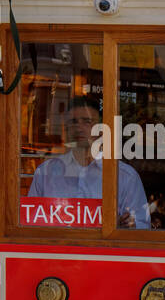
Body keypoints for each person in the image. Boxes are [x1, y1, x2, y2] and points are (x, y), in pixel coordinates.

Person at [27, 97, 150, 228]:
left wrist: (127, 226)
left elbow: (142, 227)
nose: (79, 128)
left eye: (87, 122)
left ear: (101, 129)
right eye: (73, 122)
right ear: (66, 128)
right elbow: (29, 221)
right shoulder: (45, 173)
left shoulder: (125, 177)